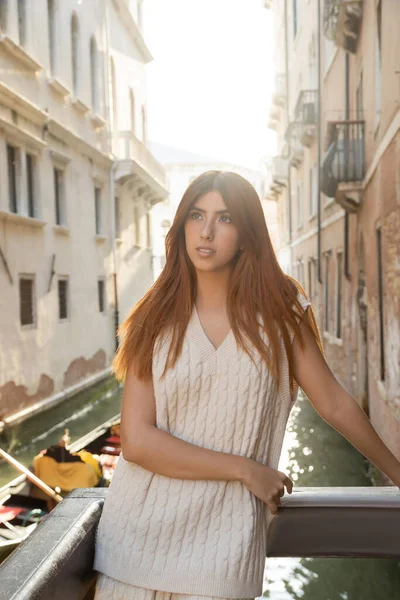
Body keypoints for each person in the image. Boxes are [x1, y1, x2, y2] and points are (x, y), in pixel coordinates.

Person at [93, 170, 400, 600]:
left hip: (225, 555)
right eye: (197, 215)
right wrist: (245, 470)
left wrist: (398, 472)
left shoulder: (281, 312)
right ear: (181, 225)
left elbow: (334, 404)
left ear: (247, 234)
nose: (206, 230)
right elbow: (138, 442)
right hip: (135, 549)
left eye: (225, 218)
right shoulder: (155, 318)